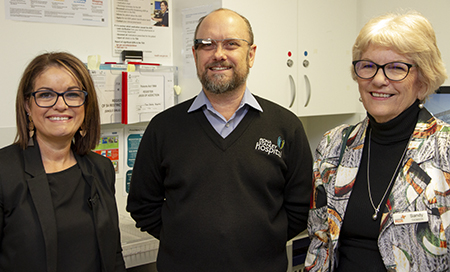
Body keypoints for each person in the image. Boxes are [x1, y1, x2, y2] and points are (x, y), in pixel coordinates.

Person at [127, 8, 313, 272]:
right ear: (195, 55)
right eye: (207, 45)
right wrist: (186, 243)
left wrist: (259, 244)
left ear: (251, 54)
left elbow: (300, 209)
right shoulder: (164, 127)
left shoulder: (286, 126)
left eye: (231, 44)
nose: (218, 54)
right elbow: (142, 206)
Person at [305, 11, 449, 271]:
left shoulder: (445, 150)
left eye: (396, 67)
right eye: (368, 66)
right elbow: (319, 243)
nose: (379, 80)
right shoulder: (333, 145)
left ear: (423, 79)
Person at [0, 52, 126, 272]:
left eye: (73, 94)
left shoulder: (101, 168)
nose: (61, 105)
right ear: (27, 105)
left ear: (86, 105)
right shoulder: (4, 172)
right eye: (46, 94)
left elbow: (113, 254)